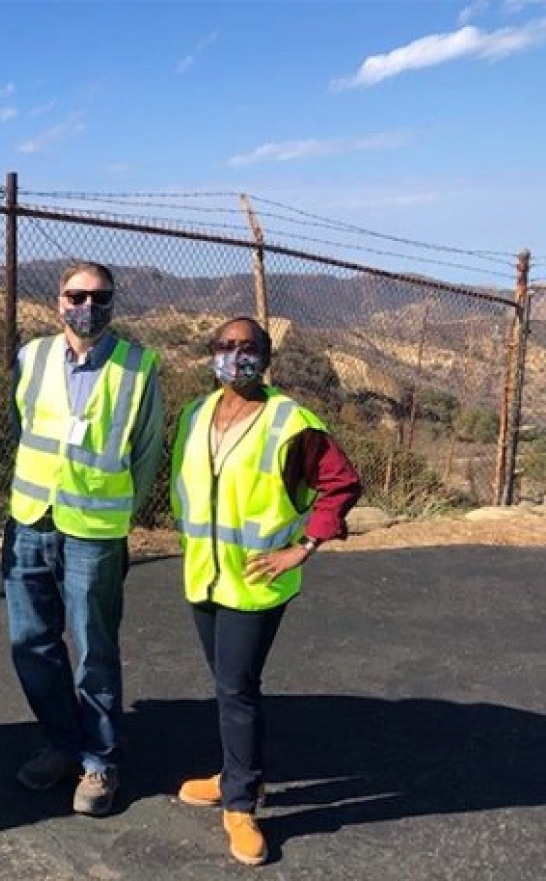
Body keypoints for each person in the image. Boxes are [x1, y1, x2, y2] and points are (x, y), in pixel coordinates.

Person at [170, 316, 362, 866]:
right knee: (225, 683)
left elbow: (341, 484)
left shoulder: (291, 422)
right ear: (212, 354)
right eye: (226, 347)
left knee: (237, 687)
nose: (237, 356)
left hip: (256, 582)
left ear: (267, 355)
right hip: (204, 574)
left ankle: (240, 802)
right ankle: (235, 774)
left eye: (248, 347)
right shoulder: (196, 414)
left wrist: (303, 547)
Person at [2, 260, 164, 817]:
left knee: (93, 649)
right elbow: (22, 424)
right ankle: (59, 742)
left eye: (100, 297)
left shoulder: (140, 368)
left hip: (94, 531)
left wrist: (114, 509)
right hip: (29, 519)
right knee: (31, 644)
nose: (87, 307)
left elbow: (146, 455)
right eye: (77, 295)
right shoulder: (33, 356)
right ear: (58, 300)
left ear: (114, 303)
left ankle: (99, 760)